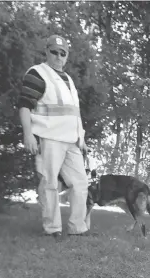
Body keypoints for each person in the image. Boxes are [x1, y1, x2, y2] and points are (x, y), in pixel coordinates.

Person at [19, 35, 89, 238]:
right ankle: (53, 229)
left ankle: (77, 227)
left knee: (80, 183)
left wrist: (82, 139)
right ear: (47, 52)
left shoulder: (68, 80)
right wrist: (28, 134)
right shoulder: (37, 74)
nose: (58, 57)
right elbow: (25, 106)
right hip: (49, 138)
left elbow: (74, 113)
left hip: (72, 141)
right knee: (50, 183)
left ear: (67, 56)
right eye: (54, 52)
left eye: (63, 53)